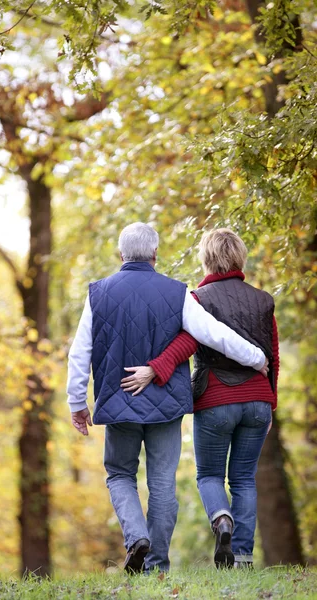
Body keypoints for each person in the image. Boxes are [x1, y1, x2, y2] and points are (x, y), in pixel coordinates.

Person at [67, 223, 268, 574]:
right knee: (162, 484)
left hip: (119, 404)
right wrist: (257, 358)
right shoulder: (177, 292)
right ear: (155, 255)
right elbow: (214, 334)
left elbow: (80, 350)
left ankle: (136, 538)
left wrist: (77, 401)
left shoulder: (98, 293)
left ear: (121, 255)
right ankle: (156, 564)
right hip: (166, 404)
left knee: (119, 474)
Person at [121, 228, 279, 569]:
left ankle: (222, 519)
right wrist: (271, 403)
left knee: (209, 476)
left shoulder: (197, 298)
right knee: (244, 479)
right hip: (258, 401)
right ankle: (243, 558)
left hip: (215, 398)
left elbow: (187, 343)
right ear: (240, 258)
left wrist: (155, 368)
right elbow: (273, 355)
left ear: (206, 259)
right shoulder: (263, 299)